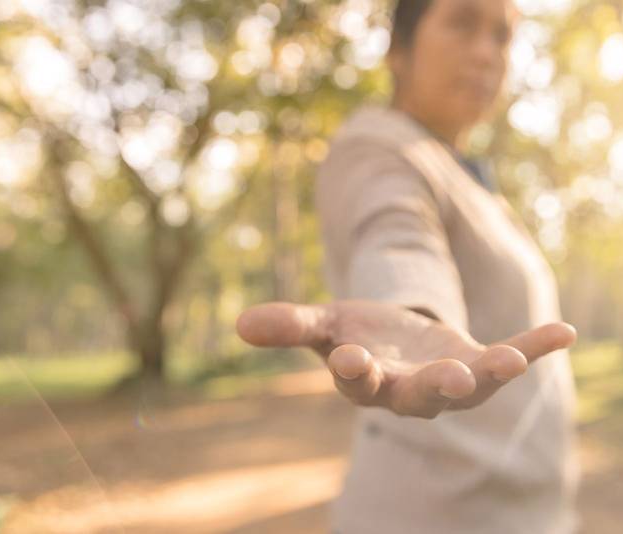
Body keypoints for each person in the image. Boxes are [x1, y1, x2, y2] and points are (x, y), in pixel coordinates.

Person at [236, 0, 580, 532]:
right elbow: (397, 235)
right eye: (462, 23)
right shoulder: (377, 147)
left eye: (502, 36)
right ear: (398, 49)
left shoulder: (462, 173)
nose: (486, 53)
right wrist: (412, 312)